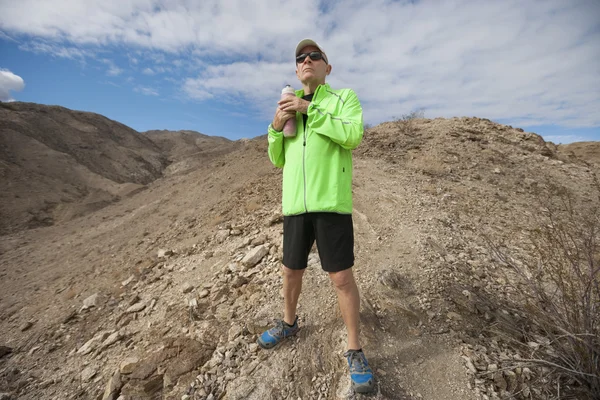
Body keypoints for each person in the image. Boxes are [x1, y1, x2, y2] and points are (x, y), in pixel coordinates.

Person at [258, 38, 375, 394]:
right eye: (300, 58)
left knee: (340, 278)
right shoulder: (287, 105)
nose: (307, 60)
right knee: (290, 270)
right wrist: (276, 127)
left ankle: (354, 348)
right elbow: (276, 159)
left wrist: (310, 110)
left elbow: (352, 135)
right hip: (295, 206)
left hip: (331, 205)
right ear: (296, 71)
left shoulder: (343, 99)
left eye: (314, 56)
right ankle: (289, 323)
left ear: (327, 66)